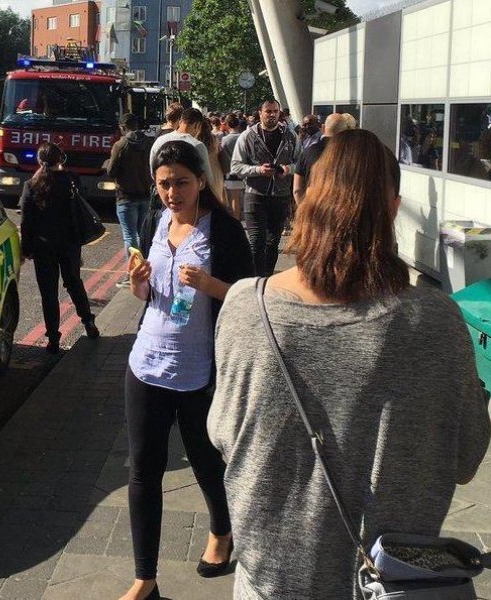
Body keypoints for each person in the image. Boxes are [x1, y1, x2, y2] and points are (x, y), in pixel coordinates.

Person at [208, 128, 491, 599]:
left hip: (272, 583)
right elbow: (464, 460)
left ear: (306, 201)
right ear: (393, 209)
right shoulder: (438, 322)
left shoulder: (246, 309)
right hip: (394, 586)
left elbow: (223, 436)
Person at [120, 140, 253, 600]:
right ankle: (145, 579)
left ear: (201, 181)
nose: (172, 193)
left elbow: (249, 296)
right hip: (146, 363)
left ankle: (222, 529)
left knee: (204, 459)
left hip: (199, 370)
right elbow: (150, 296)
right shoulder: (154, 222)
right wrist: (137, 286)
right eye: (163, 184)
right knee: (142, 472)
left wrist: (208, 283)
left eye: (180, 182)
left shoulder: (225, 232)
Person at [19, 142, 99, 354]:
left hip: (43, 247)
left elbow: (27, 223)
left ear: (39, 161)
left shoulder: (31, 186)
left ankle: (53, 339)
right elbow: (78, 212)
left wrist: (25, 250)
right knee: (74, 283)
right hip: (69, 243)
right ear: (60, 159)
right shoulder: (72, 180)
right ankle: (88, 322)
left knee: (49, 294)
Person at [231, 98, 299, 277]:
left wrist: (287, 169)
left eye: (275, 111)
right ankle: (255, 280)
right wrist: (258, 170)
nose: (272, 115)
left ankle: (267, 278)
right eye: (268, 111)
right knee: (256, 243)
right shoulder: (248, 136)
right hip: (255, 194)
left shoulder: (290, 136)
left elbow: (300, 163)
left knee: (272, 242)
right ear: (260, 113)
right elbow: (236, 167)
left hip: (280, 195)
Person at [106, 113, 153, 287]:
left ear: (123, 127)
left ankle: (132, 273)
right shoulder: (149, 142)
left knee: (130, 236)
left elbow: (111, 171)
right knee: (142, 234)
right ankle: (145, 271)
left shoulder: (121, 144)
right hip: (145, 194)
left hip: (126, 196)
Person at [293, 112, 352, 205]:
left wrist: (303, 211)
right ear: (345, 132)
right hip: (340, 210)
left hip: (312, 208)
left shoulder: (306, 153)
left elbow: (297, 189)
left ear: (323, 127)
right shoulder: (351, 155)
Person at [149, 107, 212, 180]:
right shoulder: (197, 145)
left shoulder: (160, 140)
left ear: (180, 121)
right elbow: (207, 177)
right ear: (197, 125)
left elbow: (152, 171)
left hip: (163, 187)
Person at [221, 114, 246, 219]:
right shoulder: (244, 137)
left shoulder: (224, 140)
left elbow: (222, 156)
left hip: (231, 172)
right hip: (244, 170)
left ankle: (236, 221)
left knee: (234, 199)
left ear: (227, 125)